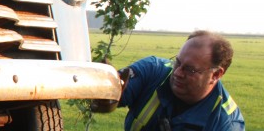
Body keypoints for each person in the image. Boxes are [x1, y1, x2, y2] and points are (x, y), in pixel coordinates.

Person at [98, 30, 245, 130]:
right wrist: (105, 88)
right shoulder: (153, 70)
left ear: (216, 75)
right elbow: (114, 92)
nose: (178, 73)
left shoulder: (225, 124)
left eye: (190, 70)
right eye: (178, 62)